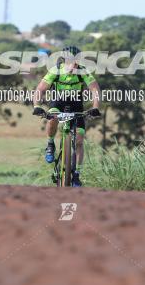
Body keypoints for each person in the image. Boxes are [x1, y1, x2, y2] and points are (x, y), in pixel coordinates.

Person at [32, 45, 100, 186]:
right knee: (52, 117)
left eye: (76, 60)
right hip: (58, 101)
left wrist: (95, 107)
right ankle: (50, 144)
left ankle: (76, 175)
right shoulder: (55, 71)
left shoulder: (82, 71)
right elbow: (40, 89)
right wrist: (37, 106)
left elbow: (95, 89)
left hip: (76, 103)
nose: (73, 63)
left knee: (79, 140)